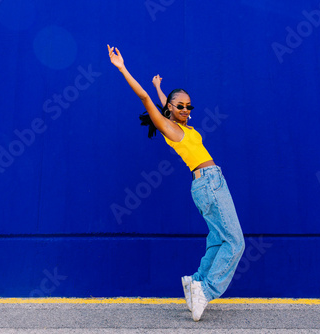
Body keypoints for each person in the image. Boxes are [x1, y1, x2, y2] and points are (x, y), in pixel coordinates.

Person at [107, 45, 245, 322]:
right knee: (236, 243)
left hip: (208, 184)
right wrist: (122, 68)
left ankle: (194, 282)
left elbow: (162, 100)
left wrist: (160, 87)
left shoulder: (180, 123)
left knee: (219, 239)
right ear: (170, 109)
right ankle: (205, 290)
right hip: (209, 184)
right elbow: (147, 99)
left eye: (188, 106)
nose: (185, 109)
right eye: (179, 106)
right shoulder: (168, 127)